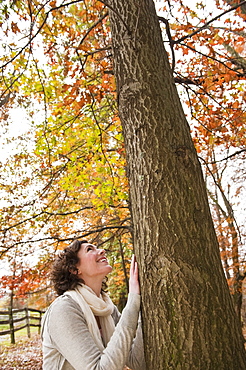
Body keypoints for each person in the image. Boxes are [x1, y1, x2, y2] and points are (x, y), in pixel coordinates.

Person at [41, 239, 146, 370]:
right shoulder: (64, 309)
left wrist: (145, 311)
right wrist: (132, 302)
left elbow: (136, 362)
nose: (102, 251)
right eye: (90, 249)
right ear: (74, 269)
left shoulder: (107, 308)